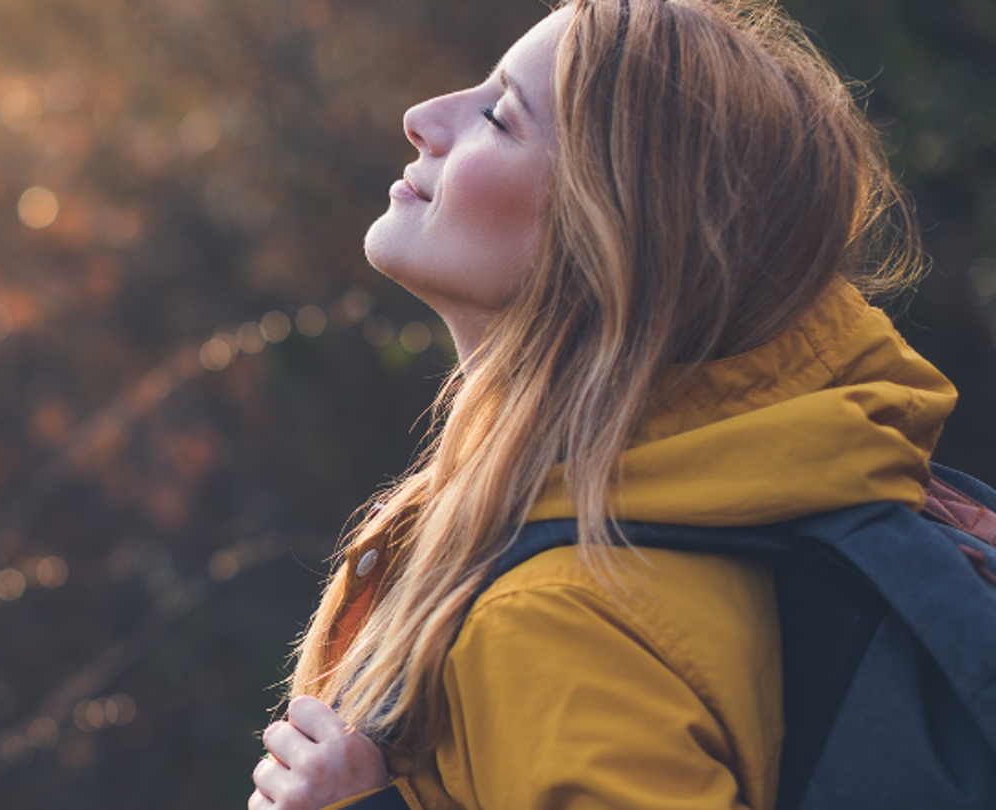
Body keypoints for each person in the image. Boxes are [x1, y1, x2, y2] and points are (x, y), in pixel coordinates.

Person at [248, 0, 954, 808]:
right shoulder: (744, 494)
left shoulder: (558, 617)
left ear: (605, 234)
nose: (421, 118)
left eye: (499, 117)